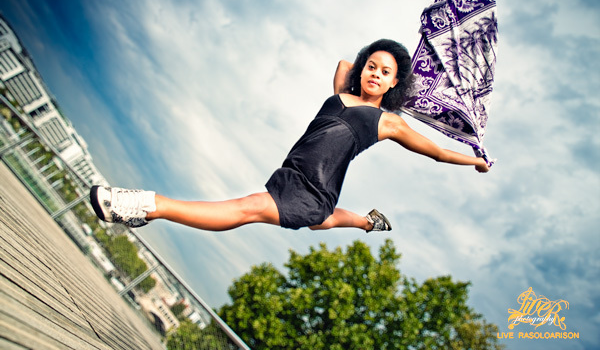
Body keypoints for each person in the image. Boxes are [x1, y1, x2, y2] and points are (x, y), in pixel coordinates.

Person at [90, 39, 490, 233]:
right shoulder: (341, 92)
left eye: (384, 73)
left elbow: (438, 153)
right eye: (372, 66)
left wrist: (473, 159)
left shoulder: (388, 123)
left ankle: (145, 205)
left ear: (395, 83)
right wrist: (390, 57)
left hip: (313, 188)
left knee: (247, 208)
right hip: (294, 174)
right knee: (324, 223)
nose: (374, 73)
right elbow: (343, 62)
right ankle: (369, 222)